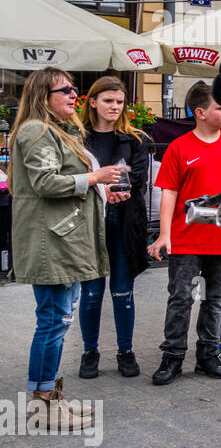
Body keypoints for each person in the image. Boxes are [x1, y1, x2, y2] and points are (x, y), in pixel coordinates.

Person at [8, 68, 122, 429]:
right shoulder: (36, 131)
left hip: (61, 240)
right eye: (66, 90)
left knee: (59, 319)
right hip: (49, 243)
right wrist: (94, 177)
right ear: (44, 96)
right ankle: (42, 404)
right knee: (53, 321)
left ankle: (52, 395)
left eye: (76, 89)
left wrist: (101, 190)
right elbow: (45, 182)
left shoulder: (58, 130)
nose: (76, 95)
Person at [147, 82, 221, 385]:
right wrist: (164, 235)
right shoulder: (179, 147)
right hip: (186, 239)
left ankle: (208, 355)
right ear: (200, 112)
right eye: (218, 107)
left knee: (216, 299)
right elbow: (169, 193)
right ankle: (172, 356)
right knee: (180, 299)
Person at [74, 76, 150, 378]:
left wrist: (121, 188)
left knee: (123, 291)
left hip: (123, 225)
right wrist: (100, 186)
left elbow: (140, 176)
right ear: (92, 102)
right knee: (91, 293)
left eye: (119, 102)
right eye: (108, 101)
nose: (114, 107)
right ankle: (89, 352)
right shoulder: (77, 140)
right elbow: (75, 177)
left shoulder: (135, 140)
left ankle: (125, 351)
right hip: (90, 227)